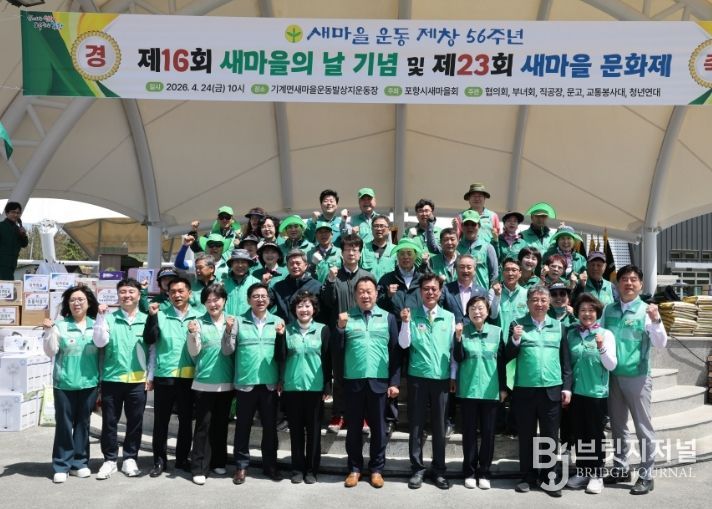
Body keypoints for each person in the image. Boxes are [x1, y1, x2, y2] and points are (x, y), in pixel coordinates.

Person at [601, 265, 667, 495]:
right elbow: (601, 336)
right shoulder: (608, 309)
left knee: (642, 427)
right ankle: (621, 467)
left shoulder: (647, 311)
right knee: (618, 426)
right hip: (613, 377)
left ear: (641, 285)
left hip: (637, 377)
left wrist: (657, 321)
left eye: (633, 279)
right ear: (617, 284)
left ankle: (647, 474)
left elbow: (660, 343)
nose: (628, 283)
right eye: (624, 279)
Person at [506, 285, 572, 498]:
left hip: (552, 389)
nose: (539, 303)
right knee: (526, 435)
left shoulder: (559, 326)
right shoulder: (517, 324)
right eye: (535, 299)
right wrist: (515, 340)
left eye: (543, 300)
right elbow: (507, 355)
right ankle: (527, 476)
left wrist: (567, 387)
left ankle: (549, 477)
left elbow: (566, 361)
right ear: (528, 303)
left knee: (550, 436)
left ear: (549, 303)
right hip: (525, 389)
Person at [337, 276, 400, 489]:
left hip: (379, 382)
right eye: (361, 292)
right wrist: (340, 328)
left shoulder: (388, 318)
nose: (365, 295)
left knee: (379, 429)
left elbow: (395, 353)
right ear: (355, 295)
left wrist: (394, 382)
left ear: (376, 294)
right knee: (354, 428)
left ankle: (376, 469)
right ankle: (354, 469)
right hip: (353, 381)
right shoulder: (346, 318)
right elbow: (337, 351)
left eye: (369, 291)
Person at [221, 283, 284, 484]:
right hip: (245, 383)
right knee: (243, 427)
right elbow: (227, 350)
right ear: (249, 300)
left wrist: (281, 379)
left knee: (270, 428)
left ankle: (270, 465)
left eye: (263, 296)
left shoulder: (278, 322)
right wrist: (228, 330)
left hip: (269, 383)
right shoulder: (238, 321)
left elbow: (282, 354)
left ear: (269, 299)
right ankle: (241, 466)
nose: (260, 299)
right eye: (255, 296)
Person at [398, 274, 456, 490]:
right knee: (416, 425)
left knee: (440, 427)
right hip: (418, 377)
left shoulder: (449, 317)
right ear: (420, 291)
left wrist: (453, 376)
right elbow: (404, 344)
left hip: (441, 379)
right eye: (426, 289)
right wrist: (405, 323)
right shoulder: (411, 315)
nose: (430, 292)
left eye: (434, 289)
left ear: (440, 292)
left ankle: (439, 470)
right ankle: (417, 469)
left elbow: (453, 350)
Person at [93, 279, 150, 480]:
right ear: (118, 295)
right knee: (110, 422)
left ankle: (130, 458)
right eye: (123, 292)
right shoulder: (108, 318)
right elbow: (99, 342)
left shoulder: (147, 319)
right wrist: (100, 317)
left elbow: (153, 350)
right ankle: (109, 460)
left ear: (139, 295)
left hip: (137, 380)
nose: (127, 295)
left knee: (135, 421)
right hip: (112, 378)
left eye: (131, 291)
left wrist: (150, 376)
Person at [143, 277, 200, 478]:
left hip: (189, 377)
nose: (177, 295)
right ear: (167, 294)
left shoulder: (199, 316)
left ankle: (182, 459)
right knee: (161, 421)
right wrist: (151, 317)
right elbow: (150, 341)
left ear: (189, 293)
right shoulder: (160, 315)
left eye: (181, 291)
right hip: (165, 375)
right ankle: (159, 460)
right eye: (173, 292)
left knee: (186, 421)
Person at [42, 285, 100, 483]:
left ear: (89, 303)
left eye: (81, 299)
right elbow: (50, 351)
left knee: (83, 424)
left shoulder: (96, 325)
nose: (77, 303)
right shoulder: (60, 325)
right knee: (64, 425)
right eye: (72, 300)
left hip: (89, 383)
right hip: (64, 383)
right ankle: (61, 465)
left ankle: (79, 463)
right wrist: (49, 331)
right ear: (67, 304)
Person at [274, 291, 331, 484]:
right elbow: (280, 357)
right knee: (296, 431)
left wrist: (327, 385)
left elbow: (328, 359)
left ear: (314, 309)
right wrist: (280, 337)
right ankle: (297, 469)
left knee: (314, 432)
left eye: (307, 306)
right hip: (292, 387)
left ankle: (312, 470)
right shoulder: (287, 329)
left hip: (315, 387)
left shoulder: (323, 329)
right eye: (300, 306)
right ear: (294, 310)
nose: (304, 309)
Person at [320, 234, 374, 433]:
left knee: (362, 375)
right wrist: (331, 280)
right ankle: (339, 414)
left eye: (355, 249)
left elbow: (373, 303)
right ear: (341, 253)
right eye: (347, 250)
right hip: (339, 332)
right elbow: (326, 302)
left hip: (363, 333)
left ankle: (363, 416)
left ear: (360, 253)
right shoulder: (334, 276)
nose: (351, 253)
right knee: (340, 374)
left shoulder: (367, 277)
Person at [565, 293, 617, 495]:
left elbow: (611, 365)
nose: (587, 314)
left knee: (594, 435)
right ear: (577, 313)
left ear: (597, 313)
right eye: (583, 310)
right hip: (576, 393)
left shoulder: (605, 334)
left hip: (596, 394)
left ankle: (596, 474)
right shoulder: (571, 335)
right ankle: (583, 471)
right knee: (579, 434)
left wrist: (601, 347)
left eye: (591, 310)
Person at [454, 295, 507, 490]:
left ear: (488, 311)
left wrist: (503, 388)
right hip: (468, 390)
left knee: (488, 433)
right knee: (468, 433)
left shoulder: (497, 332)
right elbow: (458, 358)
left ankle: (484, 472)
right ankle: (469, 471)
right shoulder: (462, 331)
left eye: (480, 308)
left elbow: (503, 362)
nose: (477, 312)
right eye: (473, 308)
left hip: (490, 391)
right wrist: (458, 338)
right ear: (467, 312)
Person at [186, 284, 235, 485]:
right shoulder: (197, 323)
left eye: (217, 300)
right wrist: (192, 335)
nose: (213, 304)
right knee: (203, 427)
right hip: (204, 382)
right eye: (209, 300)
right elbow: (194, 352)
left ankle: (218, 461)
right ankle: (199, 467)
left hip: (227, 382)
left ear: (224, 301)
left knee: (221, 425)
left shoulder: (232, 321)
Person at [271, 249, 323, 324]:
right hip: (285, 329)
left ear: (306, 265)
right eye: (291, 264)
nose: (295, 266)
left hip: (310, 329)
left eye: (298, 263)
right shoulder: (278, 287)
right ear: (287, 266)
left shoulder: (317, 286)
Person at [456, 210, 499, 290]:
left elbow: (494, 275)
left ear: (479, 226)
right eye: (466, 224)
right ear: (462, 226)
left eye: (473, 224)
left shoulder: (488, 247)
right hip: (459, 293)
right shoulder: (456, 248)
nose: (470, 227)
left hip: (481, 294)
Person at [223, 249, 260, 317]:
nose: (240, 265)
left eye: (243, 262)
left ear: (248, 265)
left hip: (249, 322)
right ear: (231, 264)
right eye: (236, 262)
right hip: (227, 321)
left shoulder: (256, 284)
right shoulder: (223, 284)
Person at [359, 214, 396, 282]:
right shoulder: (363, 249)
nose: (379, 229)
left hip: (387, 288)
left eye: (382, 226)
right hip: (368, 287)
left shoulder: (395, 250)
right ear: (371, 229)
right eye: (376, 226)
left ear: (389, 229)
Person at [0, 201, 28, 280]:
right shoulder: (1, 226)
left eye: (18, 213)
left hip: (12, 264)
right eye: (13, 212)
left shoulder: (18, 229)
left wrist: (23, 235)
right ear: (7, 213)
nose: (15, 215)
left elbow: (24, 244)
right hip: (1, 263)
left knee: (8, 285)